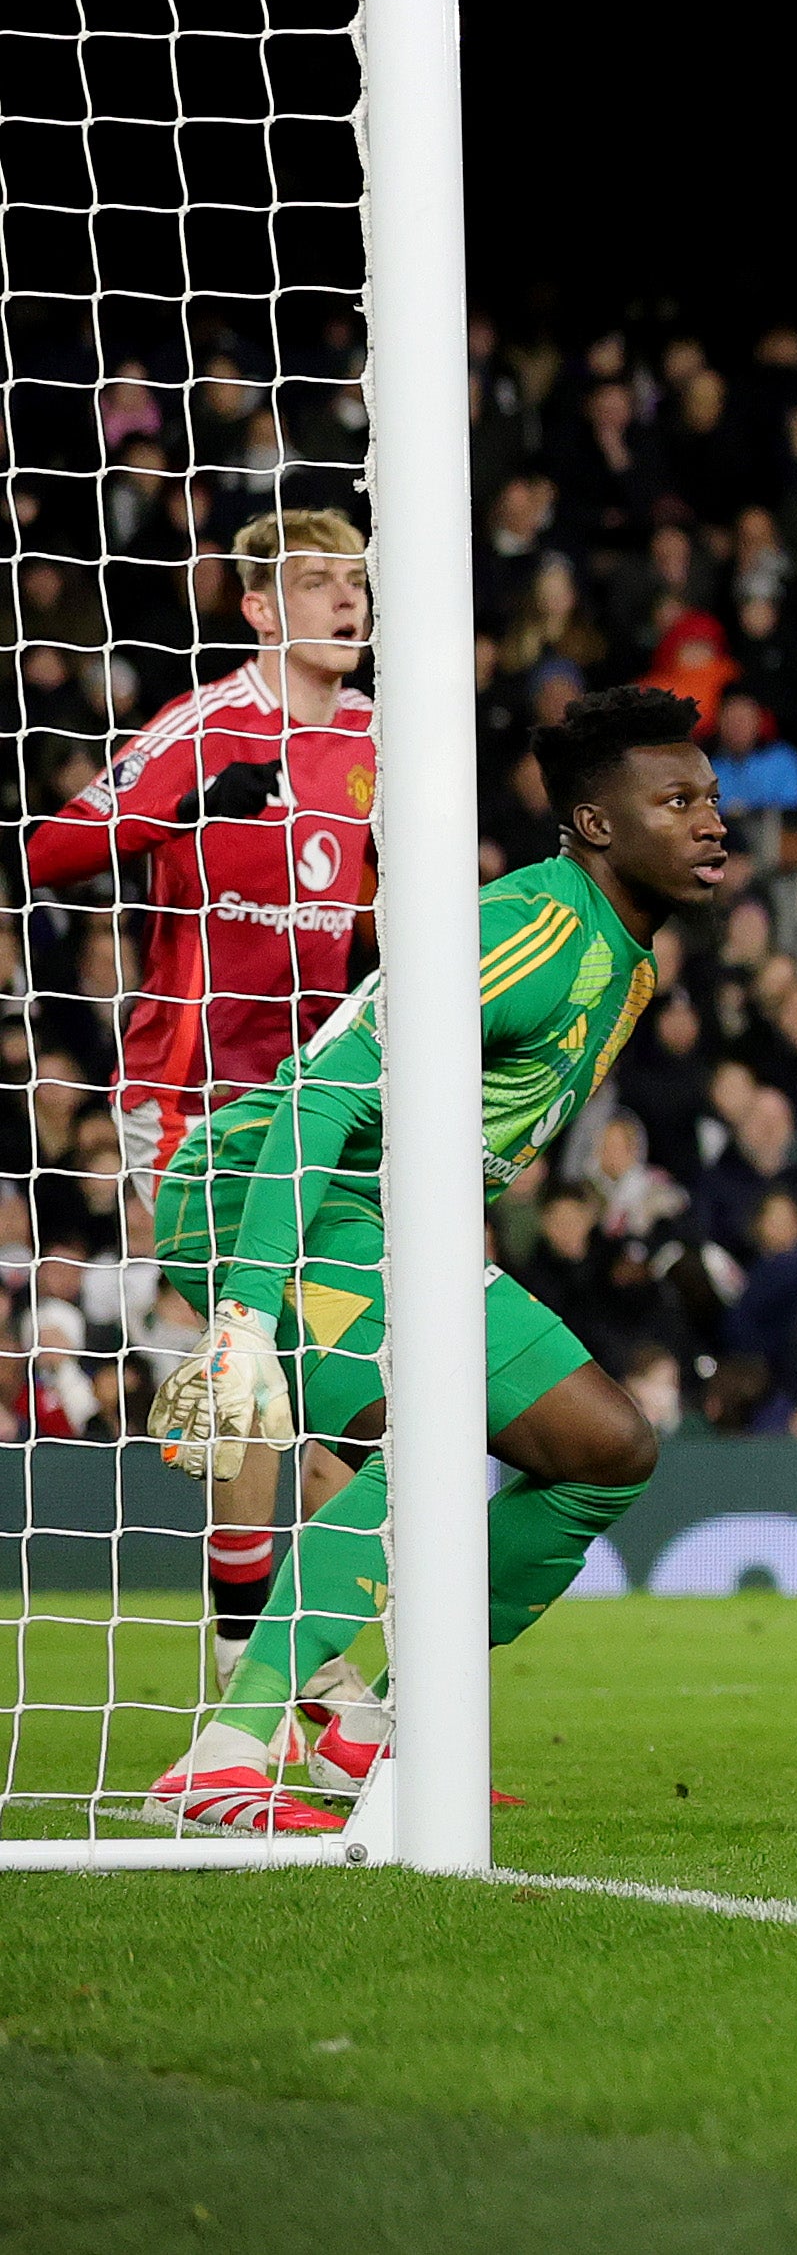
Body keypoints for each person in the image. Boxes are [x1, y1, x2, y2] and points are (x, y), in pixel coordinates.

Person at [140, 685, 728, 1834]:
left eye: (710, 798)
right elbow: (315, 1103)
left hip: (387, 1222)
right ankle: (226, 1755)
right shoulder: (536, 929)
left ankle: (387, 1735)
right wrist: (246, 1316)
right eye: (676, 800)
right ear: (597, 825)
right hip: (269, 1203)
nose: (710, 820)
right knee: (436, 1444)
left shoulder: (628, 961)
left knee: (607, 1449)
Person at [20, 508, 382, 1672]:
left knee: (363, 1384)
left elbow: (369, 911)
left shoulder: (382, 741)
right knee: (260, 1353)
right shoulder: (203, 730)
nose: (348, 601)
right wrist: (177, 811)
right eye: (320, 582)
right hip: (186, 1100)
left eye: (358, 581)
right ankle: (254, 1658)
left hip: (320, 1098)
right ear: (262, 607)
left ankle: (303, 1662)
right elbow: (45, 853)